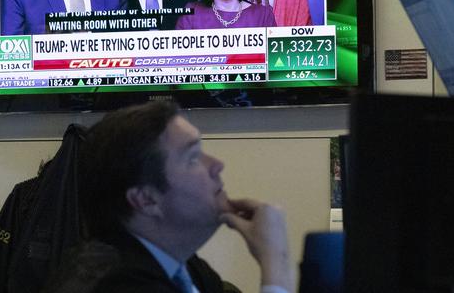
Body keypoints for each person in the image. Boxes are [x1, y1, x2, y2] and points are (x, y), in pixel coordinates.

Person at [77, 100, 293, 293]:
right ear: (146, 199)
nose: (217, 165)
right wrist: (276, 264)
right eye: (192, 158)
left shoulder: (186, 268)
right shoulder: (119, 285)